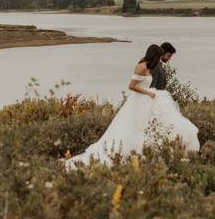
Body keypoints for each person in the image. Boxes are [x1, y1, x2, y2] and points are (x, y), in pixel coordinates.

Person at [68, 44, 199, 167]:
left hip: (148, 98)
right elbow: (131, 86)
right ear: (154, 55)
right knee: (135, 127)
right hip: (140, 99)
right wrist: (148, 93)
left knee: (150, 125)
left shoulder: (150, 66)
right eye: (159, 56)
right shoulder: (141, 66)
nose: (160, 59)